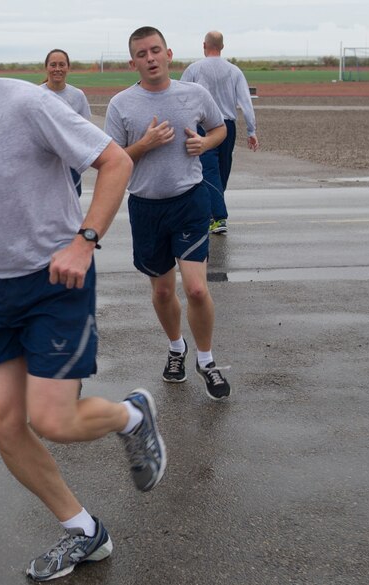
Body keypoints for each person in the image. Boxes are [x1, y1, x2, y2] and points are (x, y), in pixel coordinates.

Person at [0, 9, 166, 583]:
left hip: (55, 279)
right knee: (1, 422)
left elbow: (114, 161)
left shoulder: (26, 105)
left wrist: (85, 240)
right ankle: (85, 532)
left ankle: (131, 415)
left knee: (53, 420)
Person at [104, 26, 231, 400]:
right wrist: (144, 144)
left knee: (195, 288)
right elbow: (112, 160)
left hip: (189, 200)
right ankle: (177, 348)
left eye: (156, 51)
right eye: (142, 54)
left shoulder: (194, 94)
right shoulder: (121, 105)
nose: (150, 58)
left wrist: (205, 141)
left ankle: (206, 361)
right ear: (133, 62)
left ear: (169, 54)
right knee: (162, 292)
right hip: (145, 206)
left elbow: (220, 128)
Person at [181, 31, 259, 234]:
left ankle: (213, 214)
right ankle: (217, 215)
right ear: (222, 47)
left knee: (214, 171)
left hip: (204, 125)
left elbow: (181, 97)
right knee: (216, 170)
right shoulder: (234, 71)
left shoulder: (194, 69)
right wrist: (251, 130)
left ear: (204, 45)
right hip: (227, 126)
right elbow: (246, 102)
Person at [41, 49, 92, 197]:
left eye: (62, 65)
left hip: (71, 167)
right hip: (45, 166)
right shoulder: (35, 94)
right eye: (53, 65)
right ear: (47, 68)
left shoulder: (78, 96)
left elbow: (85, 133)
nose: (57, 69)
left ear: (68, 67)